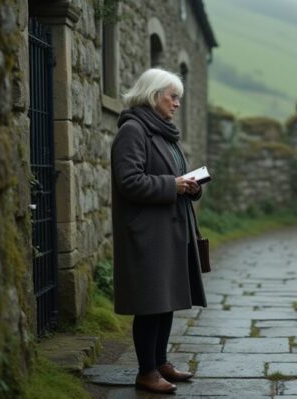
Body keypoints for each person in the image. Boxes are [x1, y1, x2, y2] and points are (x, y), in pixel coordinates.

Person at [111, 68, 207, 394]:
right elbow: (129, 181)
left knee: (165, 301)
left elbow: (175, 176)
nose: (177, 104)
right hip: (147, 235)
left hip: (169, 231)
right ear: (154, 96)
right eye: (173, 97)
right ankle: (146, 371)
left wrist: (190, 186)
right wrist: (174, 185)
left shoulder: (164, 133)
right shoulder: (133, 131)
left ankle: (161, 361)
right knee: (150, 304)